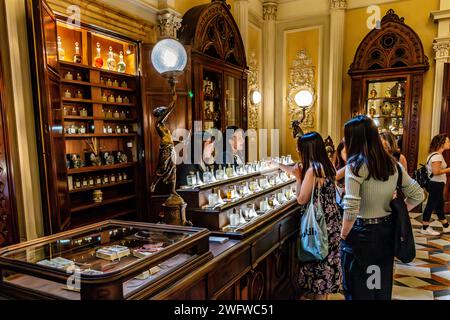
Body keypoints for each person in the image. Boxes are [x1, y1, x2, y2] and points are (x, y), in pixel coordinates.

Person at [341, 115, 424, 300]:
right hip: (386, 231)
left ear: (355, 139)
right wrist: (397, 211)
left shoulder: (355, 166)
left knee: (358, 287)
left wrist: (343, 234)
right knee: (379, 282)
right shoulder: (392, 164)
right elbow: (418, 195)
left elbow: (352, 207)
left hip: (361, 233)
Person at [278, 132, 341, 300]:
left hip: (318, 225)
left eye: (300, 149)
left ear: (307, 150)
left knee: (318, 264)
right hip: (331, 222)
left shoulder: (312, 170)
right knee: (326, 262)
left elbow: (301, 199)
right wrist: (279, 165)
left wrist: (298, 178)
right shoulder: (327, 165)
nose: (298, 152)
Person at [421, 134, 450, 235]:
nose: (449, 143)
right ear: (441, 143)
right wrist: (449, 169)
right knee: (431, 204)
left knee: (439, 205)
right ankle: (425, 228)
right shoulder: (437, 156)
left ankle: (446, 226)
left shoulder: (436, 155)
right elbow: (436, 171)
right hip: (436, 184)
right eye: (447, 141)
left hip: (436, 184)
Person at [334, 140, 347, 213]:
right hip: (339, 207)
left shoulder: (358, 167)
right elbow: (335, 177)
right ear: (340, 153)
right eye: (346, 152)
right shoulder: (335, 167)